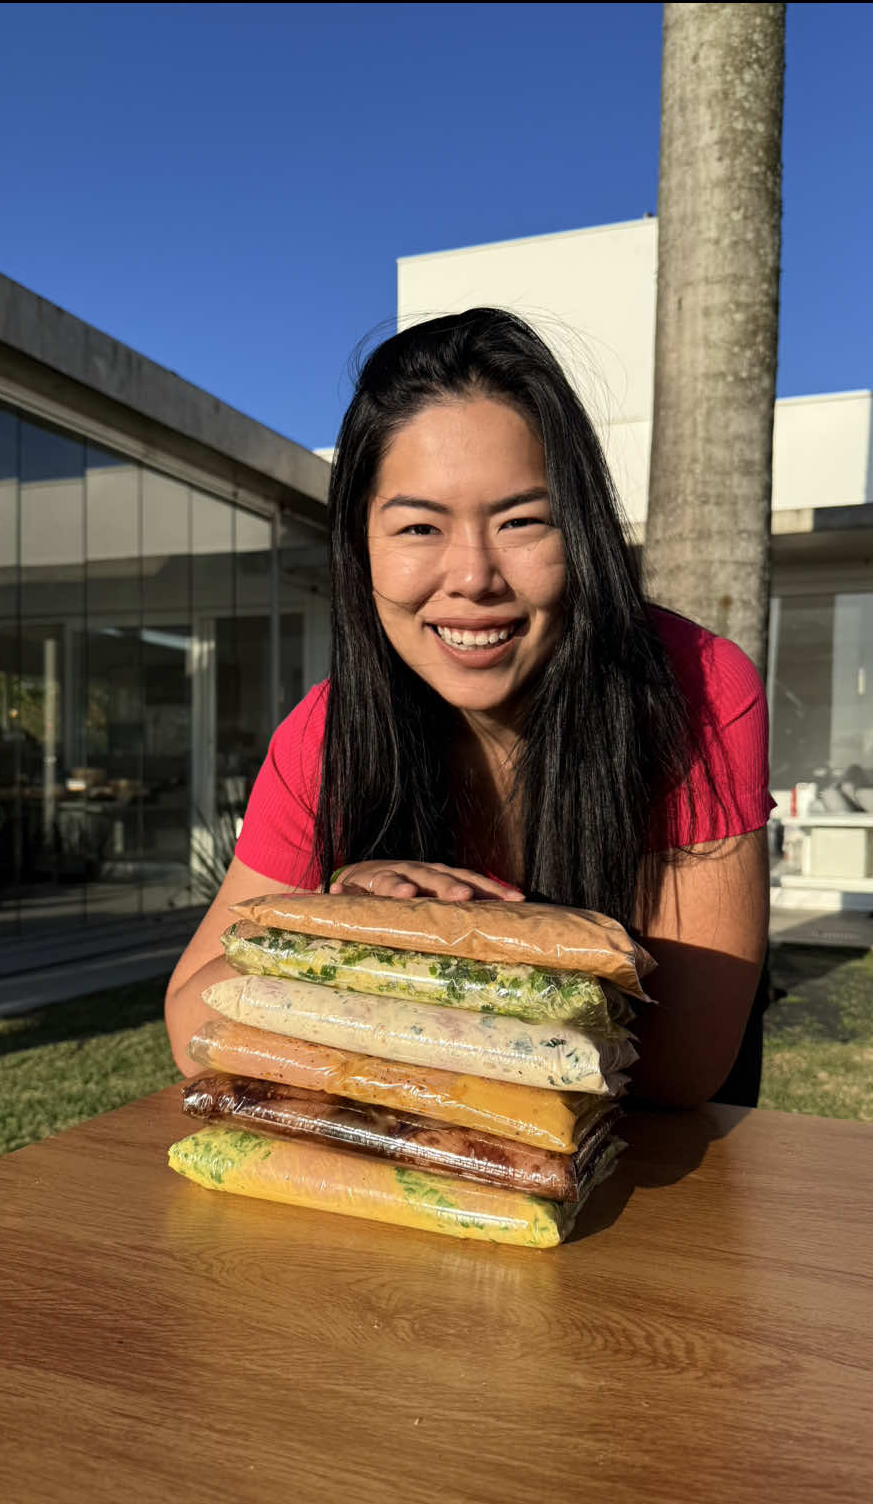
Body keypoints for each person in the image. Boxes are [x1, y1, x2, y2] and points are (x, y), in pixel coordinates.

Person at [165, 309, 772, 1107]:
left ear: (582, 530)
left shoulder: (694, 691)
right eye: (419, 525)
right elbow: (191, 1027)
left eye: (521, 521)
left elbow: (679, 1064)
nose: (474, 575)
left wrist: (412, 951)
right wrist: (334, 918)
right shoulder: (325, 735)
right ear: (361, 547)